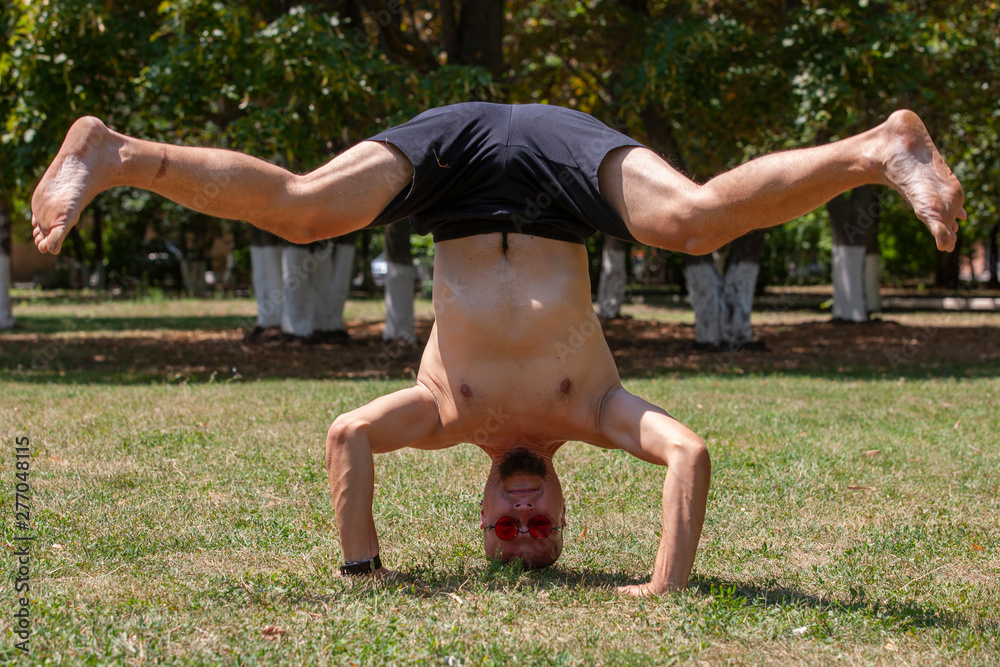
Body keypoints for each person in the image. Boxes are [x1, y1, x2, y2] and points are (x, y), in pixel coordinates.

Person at [30, 102, 965, 595]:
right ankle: (882, 148)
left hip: (458, 164)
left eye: (506, 528)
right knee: (688, 221)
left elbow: (347, 432)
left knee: (308, 210)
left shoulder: (445, 414)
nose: (522, 511)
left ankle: (113, 155)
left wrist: (364, 571)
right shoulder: (591, 412)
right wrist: (662, 583)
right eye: (541, 527)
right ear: (565, 507)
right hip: (562, 173)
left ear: (482, 514)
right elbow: (689, 450)